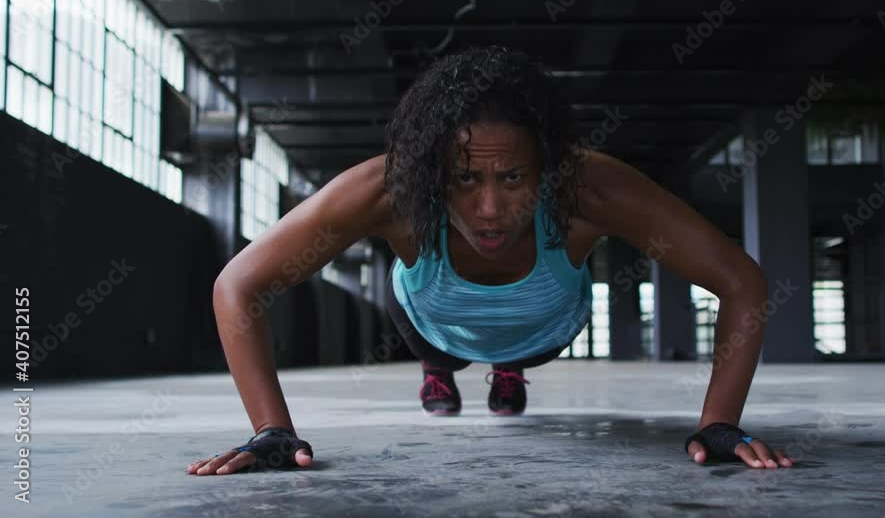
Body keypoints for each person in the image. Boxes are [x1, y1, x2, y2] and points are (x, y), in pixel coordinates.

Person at [186, 45, 796, 476]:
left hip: (544, 333)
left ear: (548, 166)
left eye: (513, 177)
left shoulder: (590, 190)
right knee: (441, 353)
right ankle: (442, 371)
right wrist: (272, 430)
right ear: (432, 171)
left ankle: (508, 371)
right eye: (463, 179)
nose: (489, 208)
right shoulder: (389, 191)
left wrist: (719, 422)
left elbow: (740, 281)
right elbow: (238, 286)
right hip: (430, 326)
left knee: (514, 356)